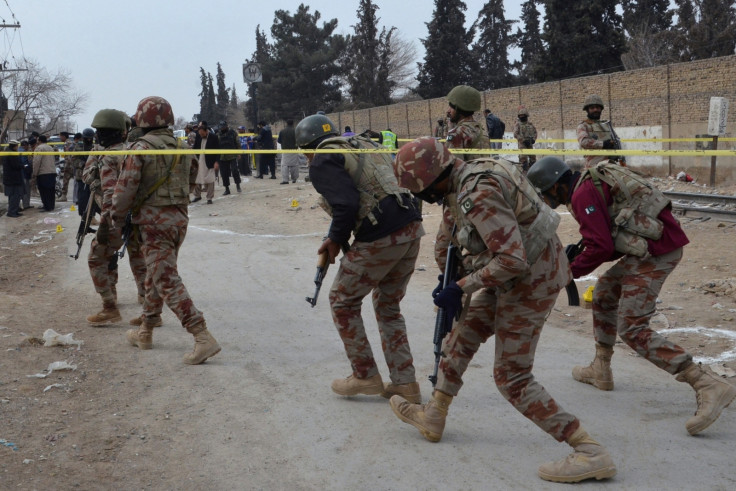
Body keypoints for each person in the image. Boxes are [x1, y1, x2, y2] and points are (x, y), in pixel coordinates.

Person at [389, 137, 616, 484]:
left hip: (530, 280)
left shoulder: (477, 193)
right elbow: (456, 241)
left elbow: (511, 259)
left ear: (431, 180)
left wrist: (461, 288)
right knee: (462, 334)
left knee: (512, 376)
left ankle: (589, 450)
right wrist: (451, 281)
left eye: (420, 191)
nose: (423, 198)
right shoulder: (467, 177)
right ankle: (434, 413)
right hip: (513, 275)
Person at [527, 156, 736, 436]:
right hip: (653, 248)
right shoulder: (589, 184)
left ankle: (706, 383)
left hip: (656, 254)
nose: (548, 200)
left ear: (555, 187)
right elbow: (609, 239)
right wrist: (577, 258)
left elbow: (600, 247)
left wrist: (567, 272)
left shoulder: (582, 194)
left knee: (633, 328)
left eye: (545, 194)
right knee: (604, 292)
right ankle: (601, 368)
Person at [295, 114, 425, 404]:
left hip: (382, 234)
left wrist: (337, 238)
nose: (306, 159)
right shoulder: (359, 144)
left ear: (307, 146)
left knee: (342, 301)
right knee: (388, 305)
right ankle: (405, 384)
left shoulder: (324, 159)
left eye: (304, 153)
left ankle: (365, 375)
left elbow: (346, 204)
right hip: (411, 227)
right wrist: (336, 238)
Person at [112, 96, 220, 365]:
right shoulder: (181, 145)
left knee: (166, 278)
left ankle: (201, 335)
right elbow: (193, 177)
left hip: (152, 223)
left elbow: (125, 189)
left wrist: (115, 217)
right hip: (178, 219)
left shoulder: (140, 148)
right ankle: (145, 331)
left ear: (141, 119)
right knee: (156, 273)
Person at [84, 109, 147, 326]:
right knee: (139, 257)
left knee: (95, 258)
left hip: (116, 217)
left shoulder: (108, 156)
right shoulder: (133, 150)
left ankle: (109, 307)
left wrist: (105, 223)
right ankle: (148, 306)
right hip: (138, 215)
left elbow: (111, 194)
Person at [445, 85, 490, 161]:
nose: (448, 111)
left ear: (459, 109)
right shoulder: (481, 130)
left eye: (451, 107)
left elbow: (452, 166)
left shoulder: (457, 134)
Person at [578, 94, 621, 169]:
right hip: (594, 167)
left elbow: (616, 140)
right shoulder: (583, 126)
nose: (595, 110)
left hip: (610, 165)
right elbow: (583, 142)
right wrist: (603, 144)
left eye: (597, 107)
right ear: (587, 110)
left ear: (601, 109)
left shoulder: (606, 125)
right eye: (592, 108)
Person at [192, 121, 218, 204]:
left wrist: (217, 162)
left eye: (202, 134)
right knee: (197, 178)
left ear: (206, 131)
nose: (201, 135)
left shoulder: (214, 137)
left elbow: (218, 150)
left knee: (210, 180)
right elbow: (195, 147)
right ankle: (197, 196)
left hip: (210, 161)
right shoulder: (198, 136)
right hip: (200, 160)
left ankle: (209, 198)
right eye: (200, 134)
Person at [31, 135, 57, 212]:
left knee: (44, 191)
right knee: (51, 190)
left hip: (43, 173)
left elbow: (36, 162)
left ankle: (47, 206)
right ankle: (51, 206)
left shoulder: (39, 148)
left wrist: (35, 173)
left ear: (39, 141)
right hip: (52, 172)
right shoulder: (50, 148)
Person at [217, 120, 242, 194]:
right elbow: (217, 145)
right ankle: (227, 188)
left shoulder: (233, 133)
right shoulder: (218, 134)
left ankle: (238, 185)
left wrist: (239, 153)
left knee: (235, 171)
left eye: (224, 126)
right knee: (224, 173)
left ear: (226, 126)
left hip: (232, 155)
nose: (222, 128)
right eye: (221, 127)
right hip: (223, 156)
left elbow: (237, 143)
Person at [75, 129, 96, 217]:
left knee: (93, 198)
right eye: (87, 138)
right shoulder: (78, 147)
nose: (89, 140)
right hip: (81, 175)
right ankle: (83, 216)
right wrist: (83, 164)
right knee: (83, 198)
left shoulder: (94, 146)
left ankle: (92, 216)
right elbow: (74, 160)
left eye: (90, 138)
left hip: (92, 175)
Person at [2, 140, 24, 218]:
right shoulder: (12, 154)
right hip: (13, 179)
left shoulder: (7, 151)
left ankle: (14, 211)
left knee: (12, 196)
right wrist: (23, 166)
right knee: (15, 196)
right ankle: (12, 212)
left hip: (10, 178)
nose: (17, 147)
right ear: (14, 146)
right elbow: (16, 165)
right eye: (17, 146)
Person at [513, 106, 537, 172]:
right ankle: (524, 173)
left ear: (526, 115)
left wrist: (534, 139)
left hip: (530, 143)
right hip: (522, 144)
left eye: (523, 115)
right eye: (520, 115)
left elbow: (535, 132)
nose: (522, 117)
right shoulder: (517, 124)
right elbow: (515, 134)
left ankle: (532, 172)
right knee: (523, 159)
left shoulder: (530, 124)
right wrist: (523, 140)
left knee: (533, 159)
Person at [277, 118, 300, 184]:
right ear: (293, 124)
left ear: (286, 124)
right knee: (294, 165)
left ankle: (285, 180)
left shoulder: (282, 131)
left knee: (284, 165)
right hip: (294, 150)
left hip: (285, 150)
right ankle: (294, 178)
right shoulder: (296, 131)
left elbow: (279, 141)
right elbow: (298, 140)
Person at [58, 132, 74, 201]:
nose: (60, 138)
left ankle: (64, 196)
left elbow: (69, 155)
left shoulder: (68, 143)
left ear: (64, 136)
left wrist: (68, 164)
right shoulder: (68, 142)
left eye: (60, 136)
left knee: (65, 180)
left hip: (69, 165)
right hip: (70, 164)